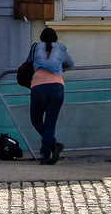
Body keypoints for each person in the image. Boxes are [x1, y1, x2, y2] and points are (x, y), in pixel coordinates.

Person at [25, 24, 74, 163]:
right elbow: (71, 63)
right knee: (50, 123)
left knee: (36, 120)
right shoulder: (62, 48)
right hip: (57, 87)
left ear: (41, 38)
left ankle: (54, 145)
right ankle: (45, 155)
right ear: (56, 39)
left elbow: (28, 62)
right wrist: (59, 68)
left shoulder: (35, 47)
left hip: (38, 87)